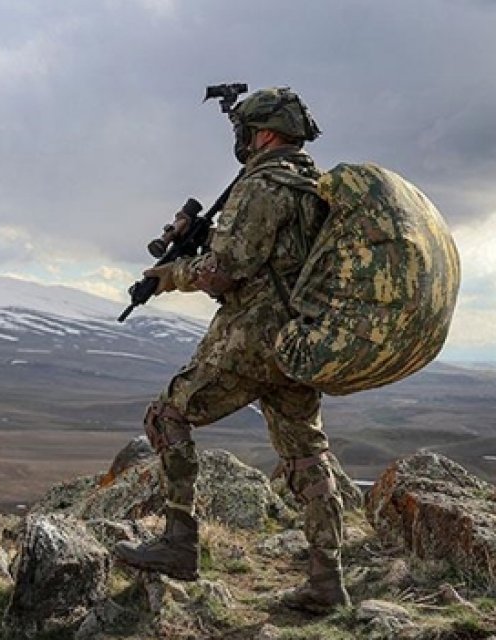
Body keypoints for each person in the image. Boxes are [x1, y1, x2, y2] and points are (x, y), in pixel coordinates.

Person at [112, 87, 351, 615]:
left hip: (250, 341)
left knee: (168, 414)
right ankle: (327, 580)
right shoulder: (316, 188)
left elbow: (226, 269)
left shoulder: (262, 186)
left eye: (245, 130)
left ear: (264, 133)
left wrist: (173, 274)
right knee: (307, 453)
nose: (240, 140)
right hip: (300, 343)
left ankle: (180, 543)